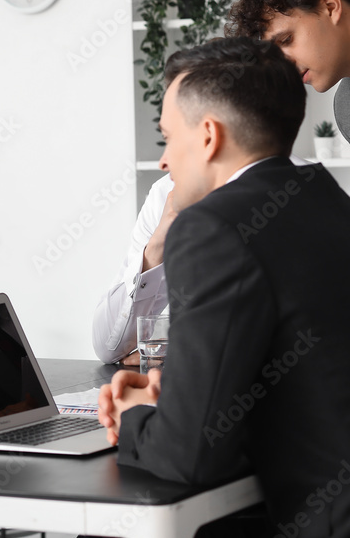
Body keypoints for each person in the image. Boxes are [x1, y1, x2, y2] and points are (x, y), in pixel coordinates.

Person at [98, 38, 350, 536]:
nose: (165, 161)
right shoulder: (326, 196)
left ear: (209, 136)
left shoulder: (211, 227)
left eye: (168, 138)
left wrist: (134, 415)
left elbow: (189, 456)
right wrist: (181, 395)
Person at [90, 0, 346, 364]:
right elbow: (111, 347)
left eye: (286, 39)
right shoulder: (171, 200)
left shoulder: (283, 203)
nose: (284, 64)